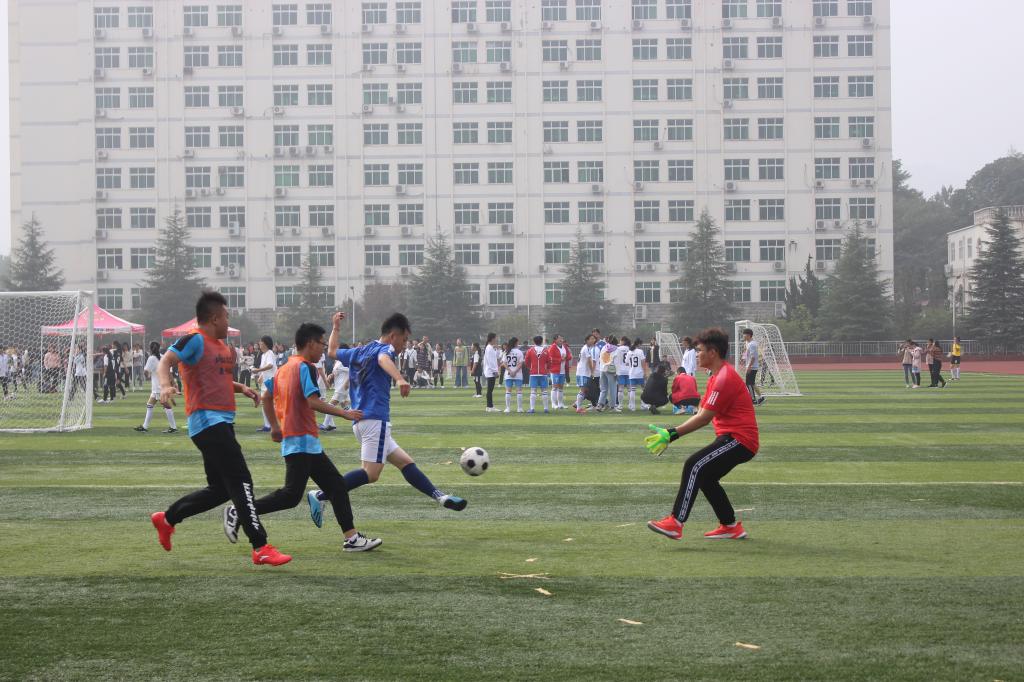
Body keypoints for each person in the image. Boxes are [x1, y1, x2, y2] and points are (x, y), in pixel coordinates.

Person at [149, 290, 291, 566]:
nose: (229, 322)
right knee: (241, 480)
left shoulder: (223, 348)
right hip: (207, 422)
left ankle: (168, 518)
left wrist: (241, 388)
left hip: (221, 422)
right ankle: (260, 546)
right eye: (227, 317)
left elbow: (217, 379)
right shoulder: (194, 339)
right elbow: (166, 361)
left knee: (221, 488)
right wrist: (165, 385)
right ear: (214, 318)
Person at [223, 320, 381, 553]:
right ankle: (239, 511)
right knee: (290, 496)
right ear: (310, 343)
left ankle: (352, 538)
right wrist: (344, 413)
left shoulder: (285, 367)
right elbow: (312, 401)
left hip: (302, 441)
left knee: (337, 486)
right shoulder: (305, 367)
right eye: (322, 344)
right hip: (301, 440)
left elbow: (266, 396)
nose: (323, 350)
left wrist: (275, 427)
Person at [312, 311, 467, 513]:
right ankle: (321, 495)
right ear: (393, 336)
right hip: (374, 420)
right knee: (371, 473)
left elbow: (332, 350)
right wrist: (400, 379)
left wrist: (336, 327)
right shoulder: (386, 350)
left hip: (362, 422)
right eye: (404, 339)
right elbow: (383, 359)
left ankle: (441, 497)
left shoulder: (360, 350)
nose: (404, 344)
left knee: (405, 462)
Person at [645, 327, 759, 542]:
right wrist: (671, 432)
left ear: (712, 353)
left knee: (693, 465)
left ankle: (675, 523)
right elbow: (701, 411)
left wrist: (671, 434)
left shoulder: (724, 378)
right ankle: (730, 526)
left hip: (740, 440)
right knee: (706, 477)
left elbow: (704, 418)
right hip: (731, 438)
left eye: (700, 351)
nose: (697, 354)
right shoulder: (716, 376)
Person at [134, 341, 177, 433]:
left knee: (166, 405)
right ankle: (145, 427)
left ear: (150, 349)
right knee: (150, 405)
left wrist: (148, 375)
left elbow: (146, 371)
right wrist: (173, 382)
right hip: (161, 386)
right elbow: (169, 372)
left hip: (158, 387)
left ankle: (173, 427)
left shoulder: (151, 358)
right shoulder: (162, 357)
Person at [319, 344, 351, 432]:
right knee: (345, 406)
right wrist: (331, 375)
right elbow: (336, 371)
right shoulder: (338, 361)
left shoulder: (347, 361)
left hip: (342, 388)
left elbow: (353, 371)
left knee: (330, 405)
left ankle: (325, 425)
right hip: (339, 387)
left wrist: (347, 383)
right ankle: (332, 425)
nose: (337, 352)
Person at [253, 335, 277, 432]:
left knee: (271, 403)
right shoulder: (263, 355)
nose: (259, 344)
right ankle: (267, 425)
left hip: (271, 381)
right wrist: (261, 376)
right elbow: (266, 368)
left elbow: (270, 365)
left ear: (266, 344)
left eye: (261, 342)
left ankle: (272, 424)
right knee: (265, 403)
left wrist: (258, 370)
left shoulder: (270, 353)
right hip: (265, 382)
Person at [544, 334, 573, 410]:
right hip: (555, 370)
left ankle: (560, 404)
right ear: (555, 340)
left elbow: (569, 356)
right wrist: (560, 359)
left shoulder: (564, 346)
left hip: (563, 370)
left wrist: (566, 358)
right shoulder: (552, 347)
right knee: (554, 387)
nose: (561, 339)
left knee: (561, 387)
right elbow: (550, 359)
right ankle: (554, 404)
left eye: (561, 338)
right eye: (559, 338)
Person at [524, 335, 550, 414]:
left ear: (534, 342)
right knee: (544, 391)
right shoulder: (546, 350)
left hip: (533, 373)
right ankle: (546, 409)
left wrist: (530, 367)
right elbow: (549, 361)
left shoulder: (530, 350)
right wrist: (547, 369)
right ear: (541, 341)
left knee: (533, 391)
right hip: (543, 373)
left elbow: (526, 361)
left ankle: (532, 409)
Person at [574, 334, 599, 414]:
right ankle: (578, 408)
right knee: (583, 389)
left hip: (584, 372)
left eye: (594, 339)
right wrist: (592, 372)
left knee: (585, 390)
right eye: (591, 339)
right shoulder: (586, 348)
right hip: (582, 372)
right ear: (587, 340)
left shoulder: (588, 348)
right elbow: (589, 361)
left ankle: (578, 406)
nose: (593, 340)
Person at [741, 329, 765, 406]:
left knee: (748, 384)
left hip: (752, 367)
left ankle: (753, 400)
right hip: (752, 366)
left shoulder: (752, 344)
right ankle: (761, 397)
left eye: (744, 334)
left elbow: (753, 357)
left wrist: (749, 367)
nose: (743, 336)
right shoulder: (749, 343)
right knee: (752, 383)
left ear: (748, 335)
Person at [501, 336, 525, 413]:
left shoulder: (506, 351)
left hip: (508, 374)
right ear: (516, 343)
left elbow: (504, 363)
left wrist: (510, 371)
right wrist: (515, 371)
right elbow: (521, 364)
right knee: (519, 391)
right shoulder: (519, 352)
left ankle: (507, 408)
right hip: (518, 374)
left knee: (508, 391)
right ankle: (519, 408)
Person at [597, 334, 618, 412]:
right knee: (613, 389)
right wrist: (617, 373)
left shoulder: (604, 347)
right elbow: (616, 362)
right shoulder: (616, 349)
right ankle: (612, 407)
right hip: (611, 370)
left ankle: (600, 405)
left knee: (603, 389)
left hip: (602, 369)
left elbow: (600, 358)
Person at [626, 338, 648, 411]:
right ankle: (643, 405)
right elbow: (643, 363)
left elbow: (626, 363)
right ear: (638, 344)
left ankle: (632, 407)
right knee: (643, 389)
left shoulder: (629, 352)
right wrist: (645, 372)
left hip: (632, 373)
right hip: (640, 373)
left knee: (632, 390)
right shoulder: (640, 351)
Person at [482, 332, 500, 412]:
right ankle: (490, 406)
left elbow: (497, 357)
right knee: (490, 390)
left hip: (490, 371)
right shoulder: (489, 348)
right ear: (492, 338)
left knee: (490, 390)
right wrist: (495, 371)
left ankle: (489, 406)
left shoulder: (490, 348)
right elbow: (491, 361)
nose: (496, 339)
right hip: (491, 372)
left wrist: (497, 349)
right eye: (496, 338)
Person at [613, 336, 632, 413]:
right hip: (629, 371)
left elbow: (615, 360)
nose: (619, 342)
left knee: (620, 389)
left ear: (623, 341)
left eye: (620, 340)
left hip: (620, 371)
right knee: (630, 389)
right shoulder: (630, 349)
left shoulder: (618, 349)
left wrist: (616, 371)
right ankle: (631, 405)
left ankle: (620, 405)